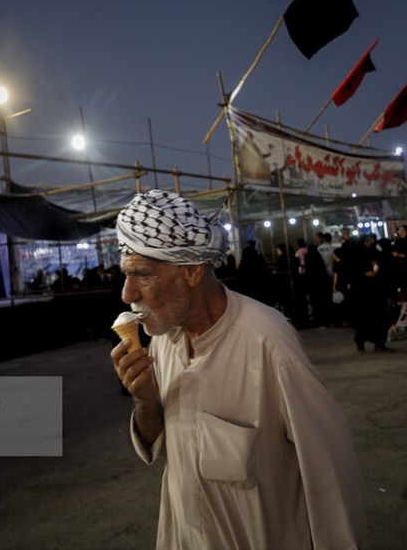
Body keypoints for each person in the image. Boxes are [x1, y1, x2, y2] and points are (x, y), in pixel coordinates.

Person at [110, 190, 366, 549]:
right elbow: (161, 448)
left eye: (142, 274)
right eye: (126, 275)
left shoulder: (268, 342)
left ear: (192, 271)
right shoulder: (163, 342)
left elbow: (331, 475)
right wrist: (145, 401)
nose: (127, 294)